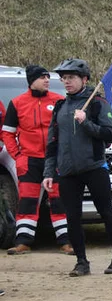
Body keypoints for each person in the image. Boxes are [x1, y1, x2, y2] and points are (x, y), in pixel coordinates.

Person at [42, 58, 112, 277]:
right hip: (68, 172)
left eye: (71, 78)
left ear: (84, 79)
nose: (66, 82)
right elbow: (52, 143)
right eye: (64, 78)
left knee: (107, 213)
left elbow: (110, 134)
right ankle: (82, 262)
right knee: (72, 217)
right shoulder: (60, 107)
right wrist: (49, 172)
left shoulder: (98, 102)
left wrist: (85, 122)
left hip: (95, 167)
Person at [3, 65, 71, 255]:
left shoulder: (59, 101)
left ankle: (66, 242)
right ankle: (23, 242)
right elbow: (7, 133)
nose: (47, 80)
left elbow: (67, 129)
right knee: (27, 202)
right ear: (32, 80)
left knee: (59, 201)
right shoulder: (17, 103)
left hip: (54, 160)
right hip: (29, 161)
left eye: (48, 77)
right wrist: (18, 156)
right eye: (42, 77)